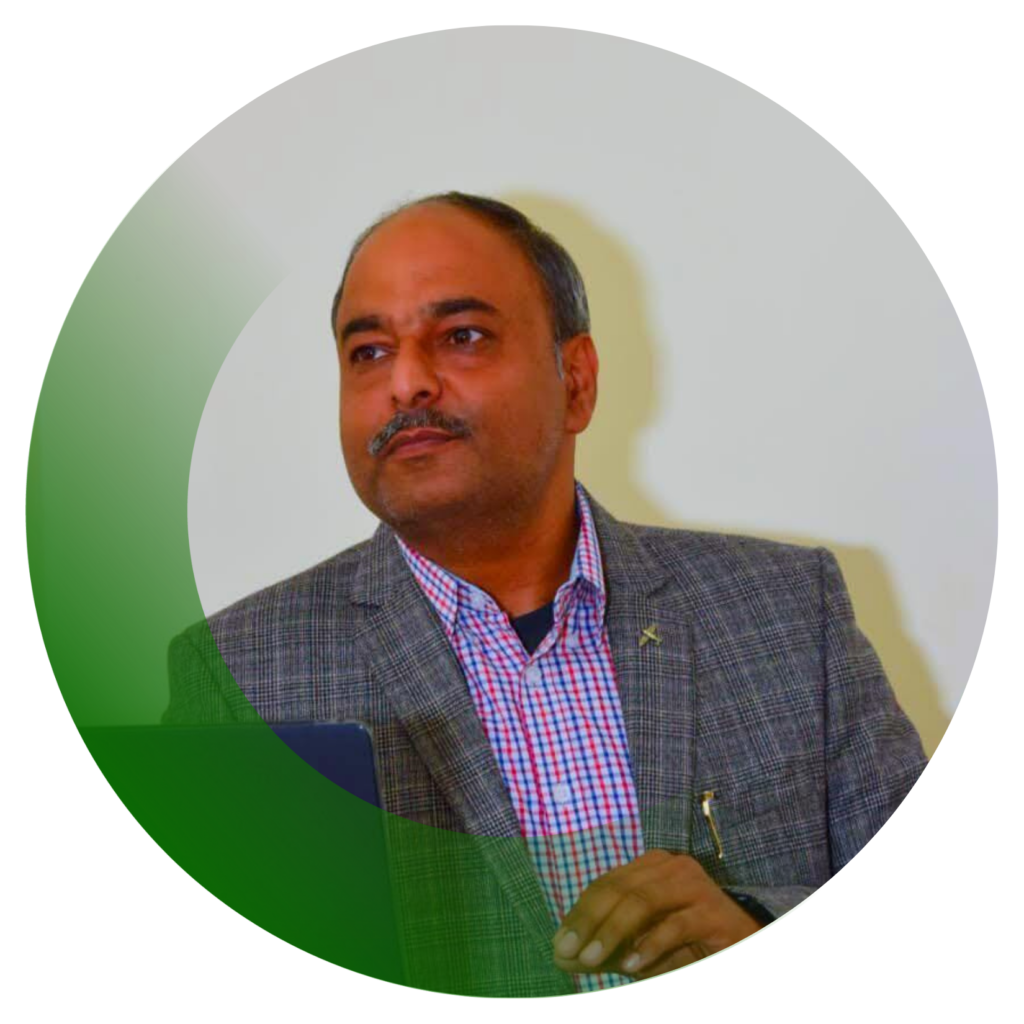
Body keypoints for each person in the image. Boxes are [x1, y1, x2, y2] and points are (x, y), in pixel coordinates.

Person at [164, 191, 929, 996]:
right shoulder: (238, 678)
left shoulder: (785, 612)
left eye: (461, 336)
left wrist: (756, 922)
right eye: (369, 352)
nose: (407, 382)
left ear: (577, 382)